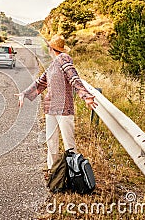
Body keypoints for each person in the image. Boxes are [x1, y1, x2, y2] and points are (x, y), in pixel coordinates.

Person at [15, 35, 98, 171]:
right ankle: (53, 171)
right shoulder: (53, 65)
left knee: (69, 144)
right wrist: (24, 93)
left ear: (51, 49)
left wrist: (85, 95)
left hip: (64, 109)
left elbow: (74, 78)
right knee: (51, 141)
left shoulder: (64, 60)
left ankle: (74, 174)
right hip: (51, 109)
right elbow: (41, 82)